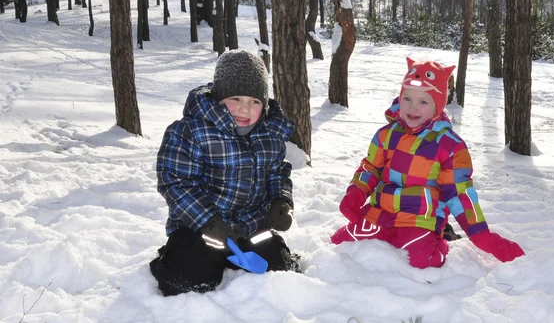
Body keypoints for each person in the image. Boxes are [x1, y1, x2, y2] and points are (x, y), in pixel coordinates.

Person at [331, 57, 525, 269]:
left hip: (420, 220)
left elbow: (459, 192)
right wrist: (355, 194)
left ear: (438, 105)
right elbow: (370, 168)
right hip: (380, 213)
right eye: (407, 99)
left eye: (423, 102)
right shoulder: (386, 135)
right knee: (342, 244)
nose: (413, 108)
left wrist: (480, 234)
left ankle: (443, 240)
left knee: (422, 260)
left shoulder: (450, 146)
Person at [150, 50, 299, 296]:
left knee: (280, 270)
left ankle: (250, 257)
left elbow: (277, 173)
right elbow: (175, 182)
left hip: (251, 227)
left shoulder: (270, 135)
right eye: (235, 99)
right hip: (201, 229)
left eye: (255, 101)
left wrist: (281, 200)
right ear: (219, 97)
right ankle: (170, 259)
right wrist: (209, 221)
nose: (244, 109)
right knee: (184, 282)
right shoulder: (191, 131)